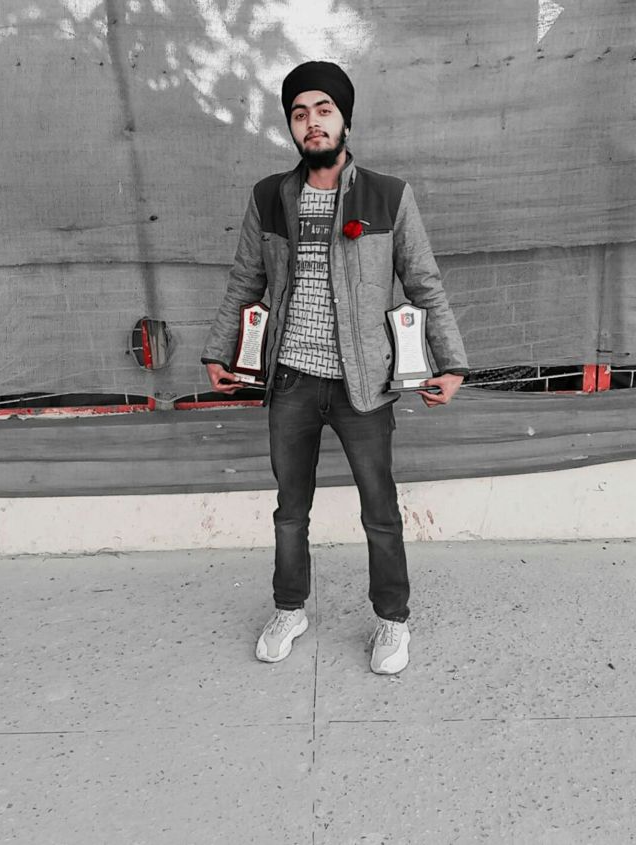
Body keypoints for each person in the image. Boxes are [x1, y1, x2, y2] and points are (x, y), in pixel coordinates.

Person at [201, 61, 468, 674]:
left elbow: (424, 282)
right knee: (290, 510)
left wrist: (451, 363)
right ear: (291, 127)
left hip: (363, 384)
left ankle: (392, 619)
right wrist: (219, 352)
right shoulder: (269, 197)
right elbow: (245, 280)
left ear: (345, 119)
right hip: (291, 379)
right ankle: (289, 608)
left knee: (380, 510)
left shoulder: (388, 196)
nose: (312, 122)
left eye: (324, 110)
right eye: (299, 114)